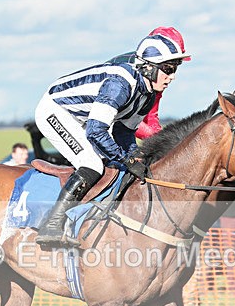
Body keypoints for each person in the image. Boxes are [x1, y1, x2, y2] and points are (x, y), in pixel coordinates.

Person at [34, 30, 189, 247]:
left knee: (119, 166)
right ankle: (51, 224)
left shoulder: (147, 95)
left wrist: (135, 157)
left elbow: (124, 133)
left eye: (174, 70)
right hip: (55, 111)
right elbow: (96, 131)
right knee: (92, 164)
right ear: (148, 67)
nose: (172, 77)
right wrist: (125, 159)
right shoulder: (120, 85)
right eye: (168, 69)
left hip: (83, 118)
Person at [107, 26, 191, 140]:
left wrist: (161, 137)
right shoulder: (134, 70)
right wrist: (159, 140)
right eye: (169, 66)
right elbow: (123, 118)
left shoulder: (157, 74)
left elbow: (151, 115)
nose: (172, 75)